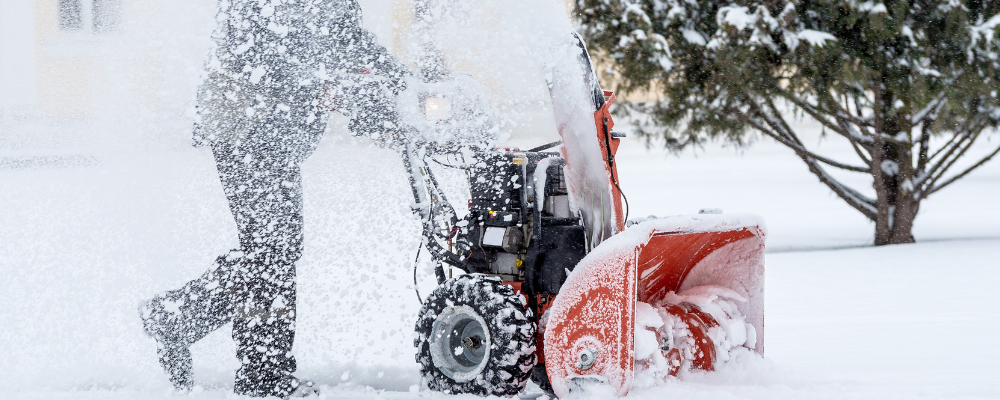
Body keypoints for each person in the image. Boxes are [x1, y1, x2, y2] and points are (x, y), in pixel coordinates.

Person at [138, 0, 409, 397]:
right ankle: (262, 375)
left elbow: (349, 40)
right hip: (244, 128)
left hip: (278, 137)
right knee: (272, 252)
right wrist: (318, 86)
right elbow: (255, 51)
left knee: (274, 251)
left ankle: (176, 316)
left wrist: (410, 85)